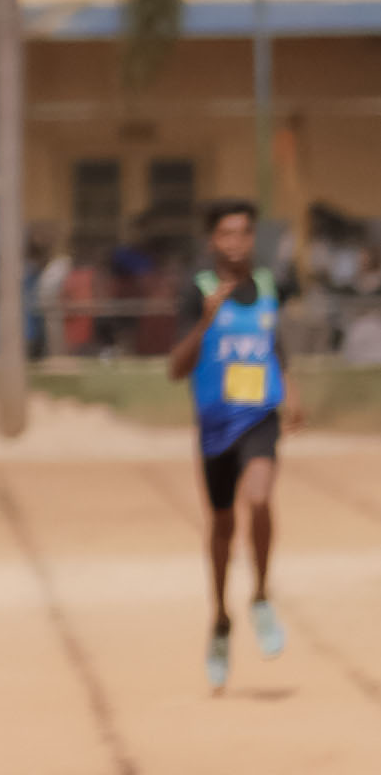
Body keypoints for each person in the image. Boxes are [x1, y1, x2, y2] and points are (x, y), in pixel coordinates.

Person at [172, 195, 290, 687]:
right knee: (221, 525)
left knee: (259, 499)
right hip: (216, 425)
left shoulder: (266, 287)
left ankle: (260, 595)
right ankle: (220, 618)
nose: (237, 242)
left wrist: (293, 391)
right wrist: (205, 319)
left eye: (245, 233)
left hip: (259, 417)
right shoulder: (196, 291)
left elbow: (274, 345)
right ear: (212, 241)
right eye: (227, 234)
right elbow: (175, 368)